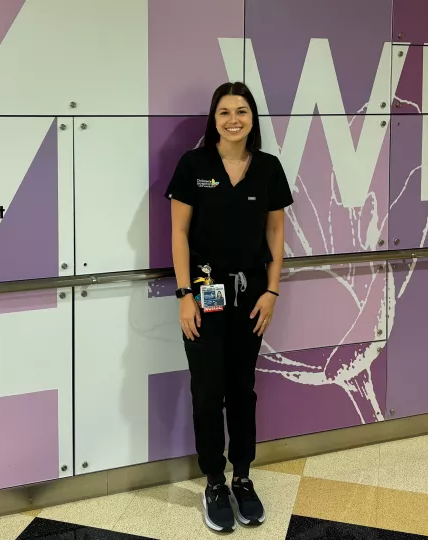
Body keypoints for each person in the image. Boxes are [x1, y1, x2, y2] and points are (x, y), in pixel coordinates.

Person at [165, 81, 294, 532]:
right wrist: (184, 296)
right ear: (213, 118)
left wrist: (272, 291)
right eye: (224, 112)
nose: (233, 119)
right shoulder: (193, 165)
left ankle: (242, 476)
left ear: (253, 118)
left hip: (252, 297)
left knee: (242, 390)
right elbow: (179, 233)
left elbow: (275, 235)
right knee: (207, 391)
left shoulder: (268, 168)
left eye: (241, 111)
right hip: (203, 294)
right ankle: (214, 482)